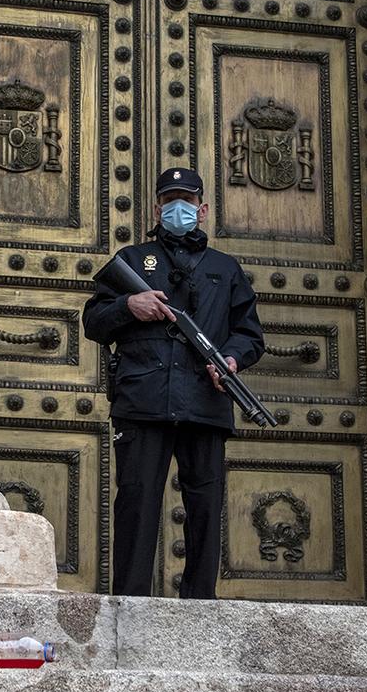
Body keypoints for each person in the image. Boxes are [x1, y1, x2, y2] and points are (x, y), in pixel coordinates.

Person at [83, 168, 264, 598]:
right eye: (170, 200)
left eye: (186, 200)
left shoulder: (225, 268)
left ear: (201, 210)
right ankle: (128, 602)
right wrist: (130, 304)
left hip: (205, 402)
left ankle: (200, 604)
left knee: (205, 509)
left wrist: (232, 360)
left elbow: (250, 333)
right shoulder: (131, 260)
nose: (177, 208)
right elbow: (93, 321)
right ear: (157, 207)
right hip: (143, 402)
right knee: (137, 505)